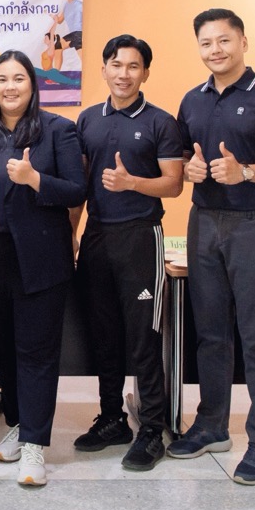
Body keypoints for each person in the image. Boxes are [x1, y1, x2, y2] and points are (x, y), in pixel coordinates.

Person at [168, 8, 255, 485]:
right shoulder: (193, 100)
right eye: (206, 43)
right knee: (210, 334)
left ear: (243, 42)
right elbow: (184, 157)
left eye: (224, 40)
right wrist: (190, 170)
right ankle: (211, 425)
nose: (216, 50)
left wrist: (245, 171)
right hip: (204, 222)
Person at [0, 51, 83, 487]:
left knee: (36, 352)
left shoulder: (58, 130)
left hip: (40, 260)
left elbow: (76, 190)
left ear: (33, 84)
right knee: (5, 351)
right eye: (2, 79)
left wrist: (35, 179)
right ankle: (18, 423)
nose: (9, 87)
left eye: (18, 79)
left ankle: (34, 444)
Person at [72, 35, 184, 471]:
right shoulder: (87, 119)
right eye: (116, 65)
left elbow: (174, 184)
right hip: (97, 236)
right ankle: (112, 419)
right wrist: (71, 234)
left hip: (140, 236)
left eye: (133, 66)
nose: (124, 74)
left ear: (145, 73)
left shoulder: (161, 122)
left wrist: (132, 183)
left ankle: (152, 428)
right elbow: (81, 186)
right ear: (103, 69)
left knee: (143, 337)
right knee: (104, 334)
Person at [50, 0, 83, 71]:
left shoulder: (80, 5)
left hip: (79, 33)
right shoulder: (66, 5)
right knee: (58, 46)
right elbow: (60, 20)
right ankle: (56, 73)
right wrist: (53, 16)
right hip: (74, 34)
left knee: (84, 59)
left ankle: (55, 73)